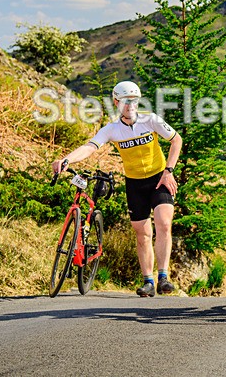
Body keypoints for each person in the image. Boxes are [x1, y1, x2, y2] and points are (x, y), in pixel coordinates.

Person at [52, 81, 183, 297]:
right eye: (125, 102)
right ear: (116, 103)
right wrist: (66, 160)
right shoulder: (112, 129)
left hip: (159, 178)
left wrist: (169, 170)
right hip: (135, 183)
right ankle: (148, 282)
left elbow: (176, 140)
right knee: (142, 233)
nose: (130, 105)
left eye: (134, 101)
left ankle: (163, 277)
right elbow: (90, 147)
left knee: (164, 223)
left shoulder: (150, 119)